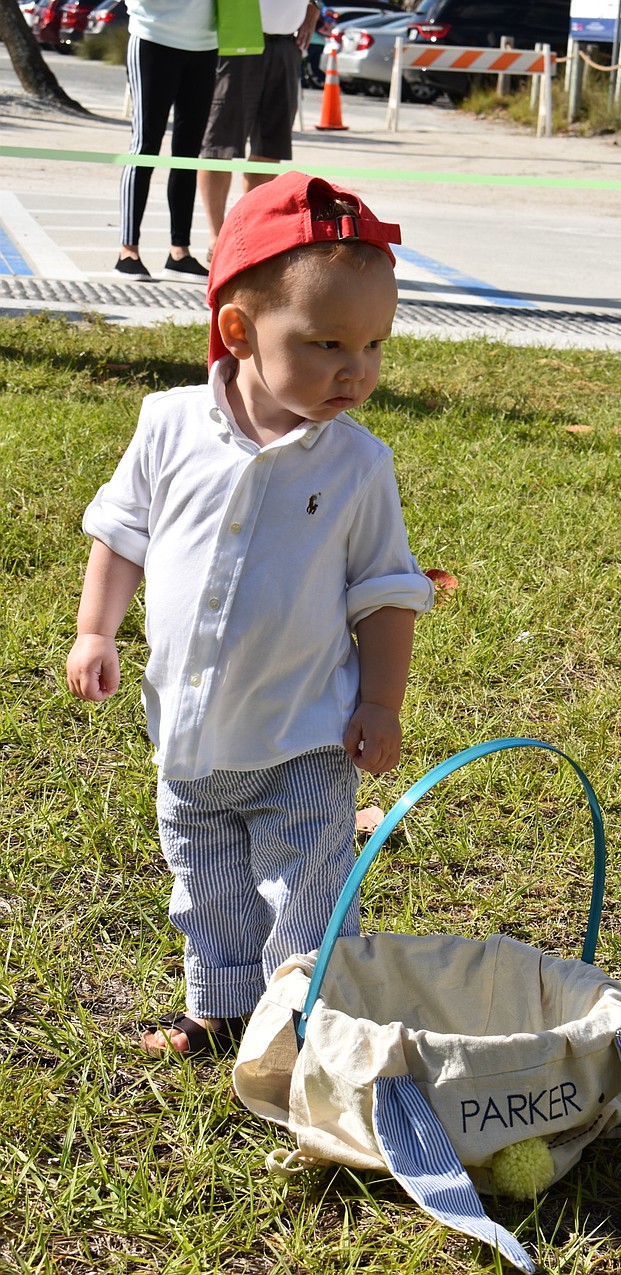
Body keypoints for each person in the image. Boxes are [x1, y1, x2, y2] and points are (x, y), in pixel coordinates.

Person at [67, 172, 434, 1057]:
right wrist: (95, 628)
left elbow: (386, 592)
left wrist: (379, 704)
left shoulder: (356, 464)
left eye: (376, 344)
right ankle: (218, 1011)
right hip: (190, 734)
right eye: (328, 343)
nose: (358, 368)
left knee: (306, 889)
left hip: (304, 731)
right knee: (206, 884)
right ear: (239, 332)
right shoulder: (167, 426)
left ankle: (306, 1027)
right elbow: (123, 534)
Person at [198, 0, 320, 261]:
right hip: (239, 37)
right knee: (219, 144)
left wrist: (314, 4)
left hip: (287, 43)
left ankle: (248, 237)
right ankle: (218, 241)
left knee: (270, 146)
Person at [116, 0, 218, 282]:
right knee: (145, 146)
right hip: (152, 36)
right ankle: (127, 251)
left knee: (187, 153)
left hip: (205, 43)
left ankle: (179, 253)